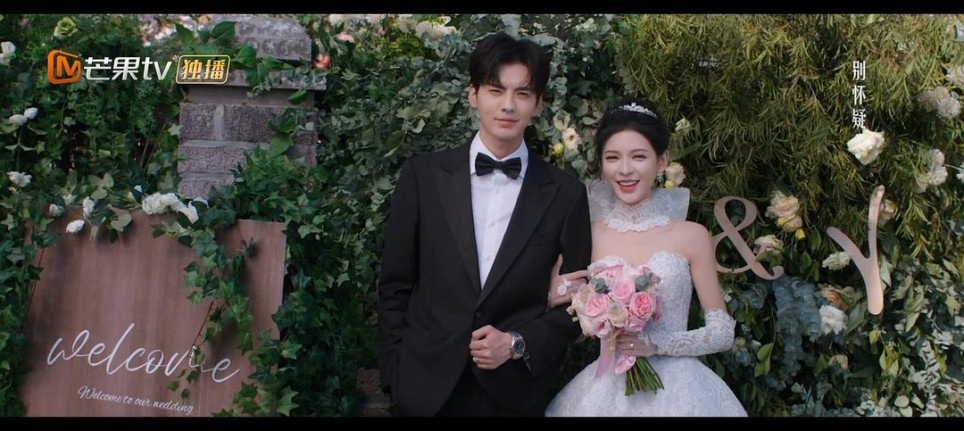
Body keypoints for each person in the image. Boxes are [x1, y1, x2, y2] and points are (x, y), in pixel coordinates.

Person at [377, 31, 593, 417]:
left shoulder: (565, 194)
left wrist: (517, 343)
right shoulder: (423, 177)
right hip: (423, 389)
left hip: (513, 394)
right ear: (474, 95)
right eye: (496, 90)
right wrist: (395, 376)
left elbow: (578, 304)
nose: (508, 105)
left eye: (522, 93)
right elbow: (395, 284)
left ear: (538, 104)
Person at [544, 97, 747, 417]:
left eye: (638, 156)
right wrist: (560, 298)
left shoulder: (692, 235)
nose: (625, 169)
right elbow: (571, 317)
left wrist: (657, 344)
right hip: (606, 388)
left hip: (681, 391)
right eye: (613, 157)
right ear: (602, 164)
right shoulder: (588, 234)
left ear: (661, 160)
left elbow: (722, 332)